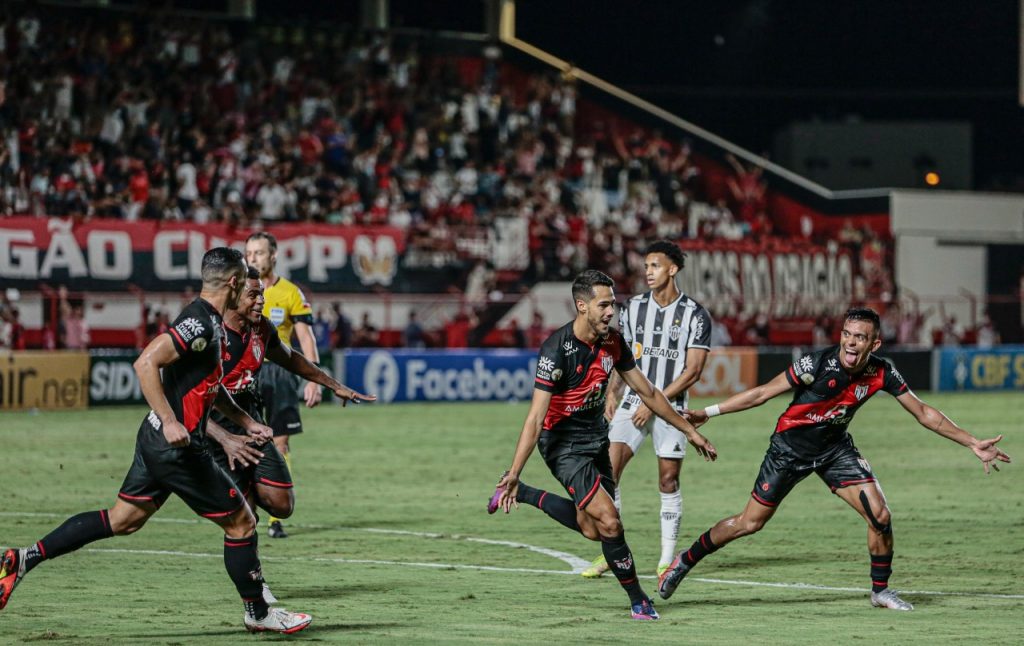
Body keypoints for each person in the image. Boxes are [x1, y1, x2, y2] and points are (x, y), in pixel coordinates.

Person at [0, 247, 312, 634]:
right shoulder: (200, 322)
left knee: (123, 519)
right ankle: (259, 613)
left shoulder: (212, 322)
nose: (252, 291)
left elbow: (207, 385)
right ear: (234, 283)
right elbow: (146, 362)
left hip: (154, 441)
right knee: (241, 524)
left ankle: (24, 558)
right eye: (246, 285)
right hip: (178, 448)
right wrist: (170, 420)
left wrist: (245, 421)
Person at [657, 307, 1011, 611]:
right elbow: (762, 393)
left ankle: (880, 591)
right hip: (788, 450)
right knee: (749, 523)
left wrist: (971, 442)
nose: (851, 343)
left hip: (834, 450)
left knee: (880, 515)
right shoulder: (816, 363)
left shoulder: (882, 372)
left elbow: (923, 413)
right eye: (847, 334)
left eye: (860, 337)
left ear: (874, 344)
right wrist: (708, 412)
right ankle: (685, 560)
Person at [487, 270, 718, 621]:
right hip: (563, 445)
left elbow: (648, 392)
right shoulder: (556, 350)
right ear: (582, 306)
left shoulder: (613, 341)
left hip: (596, 438)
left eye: (613, 304)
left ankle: (527, 494)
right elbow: (535, 419)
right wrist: (515, 471)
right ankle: (639, 601)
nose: (611, 311)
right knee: (610, 523)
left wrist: (689, 431)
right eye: (604, 305)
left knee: (591, 527)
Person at [207, 267, 376, 597]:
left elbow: (291, 358)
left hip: (250, 422)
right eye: (254, 295)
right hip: (213, 431)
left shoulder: (261, 328)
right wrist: (223, 438)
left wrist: (332, 384)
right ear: (233, 295)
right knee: (243, 520)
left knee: (282, 504)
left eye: (262, 294)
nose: (261, 301)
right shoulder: (209, 332)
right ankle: (256, 591)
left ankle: (246, 501)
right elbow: (185, 394)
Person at [581, 241, 712, 579]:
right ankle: (613, 552)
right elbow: (619, 355)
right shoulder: (633, 307)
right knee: (608, 473)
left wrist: (653, 404)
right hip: (631, 402)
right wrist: (612, 393)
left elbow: (693, 371)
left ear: (673, 269)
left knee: (668, 480)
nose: (648, 272)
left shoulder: (696, 314)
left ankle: (666, 559)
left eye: (655, 265)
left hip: (672, 407)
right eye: (646, 266)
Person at [245, 232, 320, 539]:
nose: (253, 258)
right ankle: (245, 510)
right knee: (243, 443)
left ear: (273, 256)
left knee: (280, 444)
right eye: (249, 253)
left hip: (279, 374)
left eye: (259, 253)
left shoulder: (290, 293)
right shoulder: (237, 290)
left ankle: (275, 517)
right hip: (246, 372)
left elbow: (305, 338)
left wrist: (313, 379)